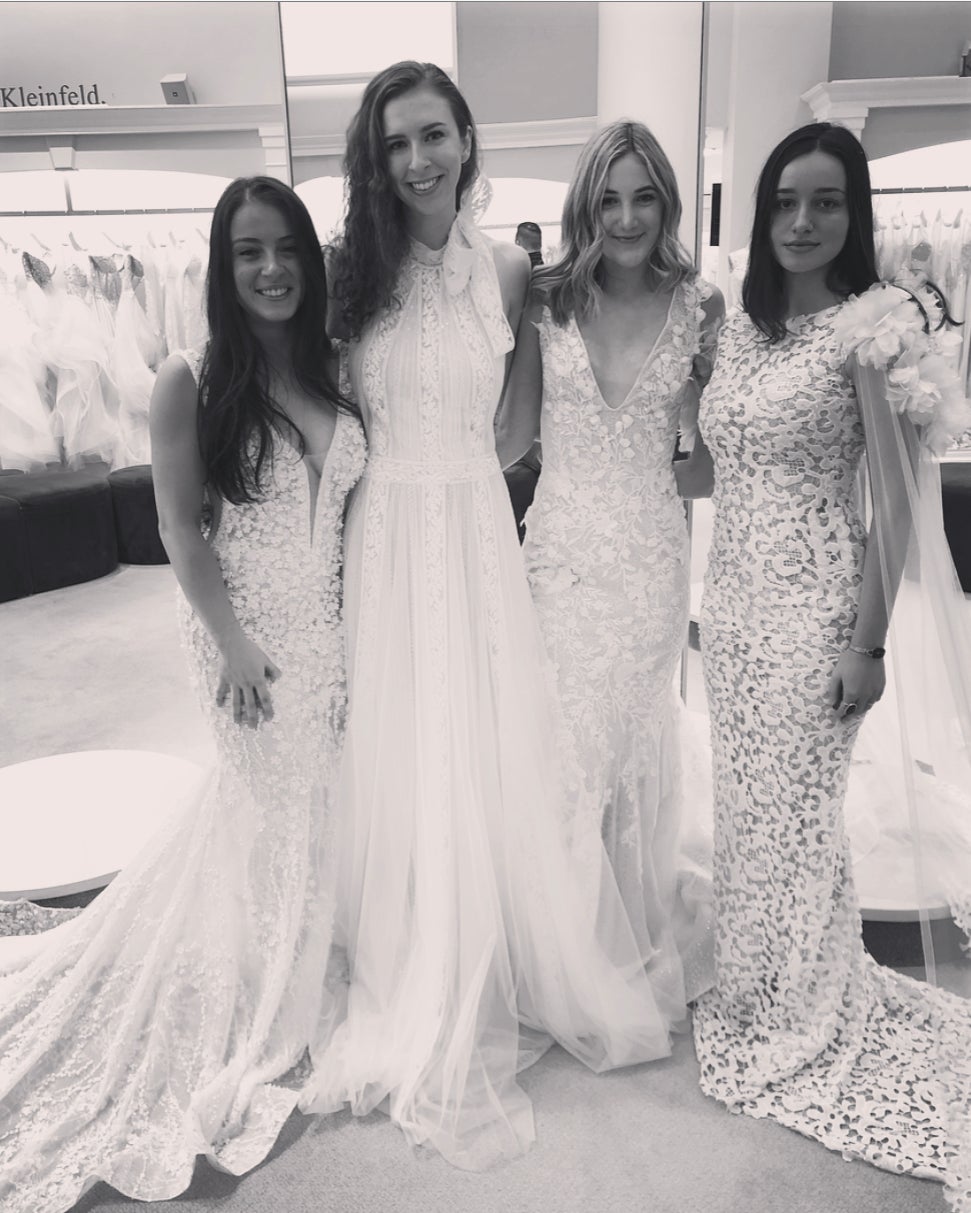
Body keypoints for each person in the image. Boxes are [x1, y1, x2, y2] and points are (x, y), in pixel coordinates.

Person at [305, 60, 677, 1171]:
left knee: (486, 741)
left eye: (434, 134)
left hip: (475, 527)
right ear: (375, 162)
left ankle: (501, 942)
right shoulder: (347, 273)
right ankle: (412, 944)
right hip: (386, 531)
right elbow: (317, 417)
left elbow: (523, 424)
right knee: (402, 741)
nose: (417, 159)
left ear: (466, 140)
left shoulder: (512, 272)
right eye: (395, 143)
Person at [0, 176, 367, 1212]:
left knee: (317, 800)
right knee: (271, 798)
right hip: (240, 634)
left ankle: (303, 949)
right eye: (249, 251)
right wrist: (235, 644)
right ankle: (268, 985)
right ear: (222, 265)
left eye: (285, 248)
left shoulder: (336, 367)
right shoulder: (189, 376)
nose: (270, 269)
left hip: (329, 625)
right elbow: (176, 527)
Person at [691, 122, 971, 1205]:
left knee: (798, 822)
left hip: (815, 609)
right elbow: (717, 465)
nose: (801, 222)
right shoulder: (742, 329)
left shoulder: (871, 330)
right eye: (784, 202)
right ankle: (757, 989)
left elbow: (893, 504)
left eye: (824, 202)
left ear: (853, 214)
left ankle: (803, 1009)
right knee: (747, 816)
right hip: (733, 608)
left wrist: (867, 642)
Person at [501, 120, 722, 1019]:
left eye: (643, 199)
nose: (626, 218)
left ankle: (621, 932)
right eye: (609, 200)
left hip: (648, 557)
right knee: (563, 741)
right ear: (585, 208)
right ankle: (556, 945)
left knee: (630, 740)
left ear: (666, 205)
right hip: (557, 553)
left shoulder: (701, 306)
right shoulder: (544, 300)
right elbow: (510, 436)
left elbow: (706, 461)